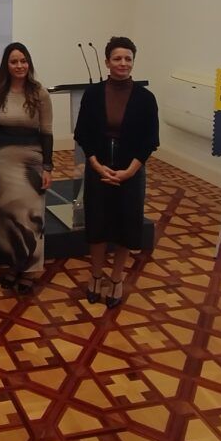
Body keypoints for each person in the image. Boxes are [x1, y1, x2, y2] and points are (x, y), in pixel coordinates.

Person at [74, 36, 159, 307]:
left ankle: (116, 279)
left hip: (130, 172)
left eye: (128, 59)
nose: (123, 63)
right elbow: (82, 133)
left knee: (126, 227)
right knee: (97, 225)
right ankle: (96, 275)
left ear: (133, 62)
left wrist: (129, 172)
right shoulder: (93, 94)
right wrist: (96, 165)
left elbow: (150, 140)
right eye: (117, 58)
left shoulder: (146, 98)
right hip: (98, 168)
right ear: (107, 62)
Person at [0, 42, 53, 295]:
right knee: (7, 216)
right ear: (6, 65)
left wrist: (48, 166)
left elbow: (47, 132)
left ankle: (30, 270)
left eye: (23, 61)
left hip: (31, 162)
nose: (19, 66)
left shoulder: (40, 93)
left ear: (29, 63)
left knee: (30, 216)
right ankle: (13, 265)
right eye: (14, 61)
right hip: (3, 162)